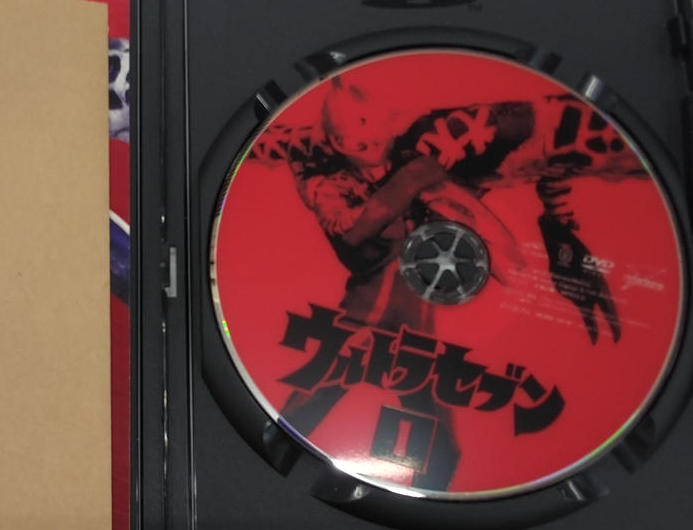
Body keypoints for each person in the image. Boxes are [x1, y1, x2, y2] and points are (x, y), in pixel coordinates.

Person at [248, 71, 644, 490]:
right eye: (350, 143)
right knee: (316, 407)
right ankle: (273, 463)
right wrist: (408, 184)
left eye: (372, 137)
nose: (364, 149)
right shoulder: (314, 156)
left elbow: (552, 142)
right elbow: (349, 231)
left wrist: (559, 225)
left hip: (412, 324)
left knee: (437, 445)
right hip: (376, 316)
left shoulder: (450, 138)